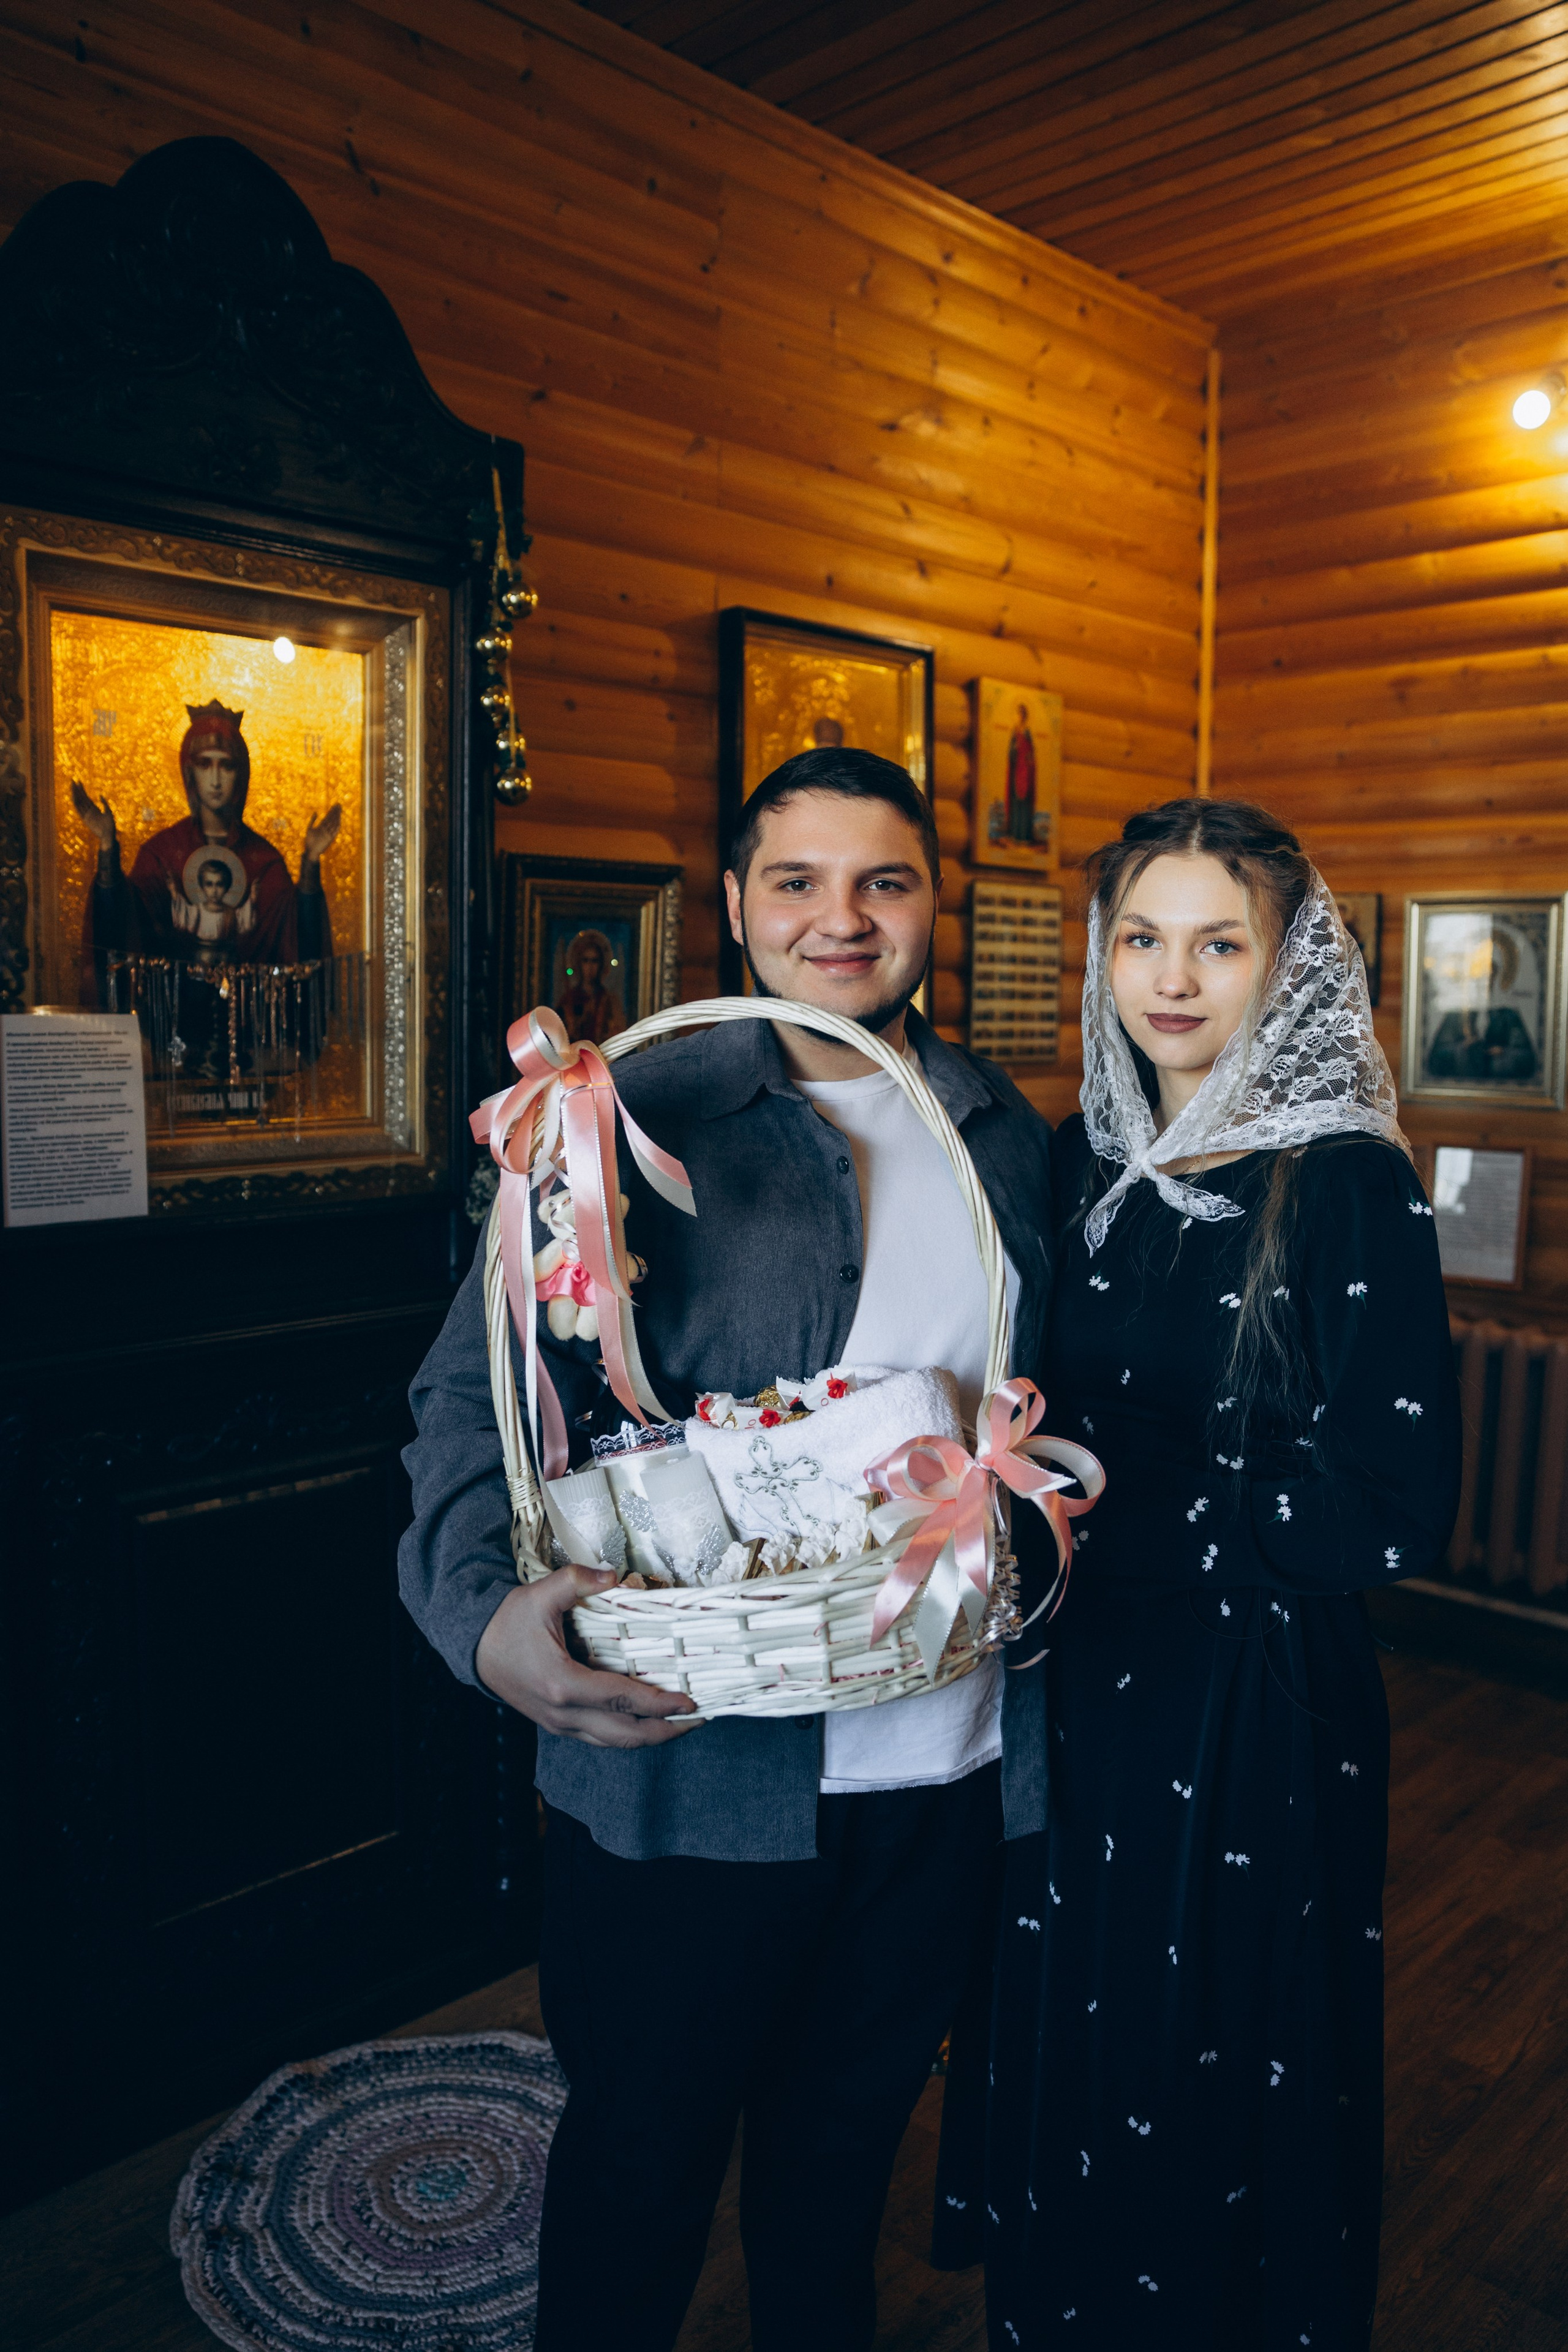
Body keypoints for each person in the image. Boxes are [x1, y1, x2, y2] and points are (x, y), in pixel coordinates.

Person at [398, 746, 1057, 2352]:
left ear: (933, 904)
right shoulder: (627, 1118)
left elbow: (1054, 1413)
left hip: (945, 1766)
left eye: (885, 881)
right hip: (686, 1774)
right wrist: (480, 1619)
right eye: (798, 881)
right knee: (637, 2177)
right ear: (735, 904)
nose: (845, 918)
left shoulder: (1003, 1135)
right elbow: (471, 1398)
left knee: (837, 2175)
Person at [984, 798, 1460, 2351]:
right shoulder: (1073, 1159)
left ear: (1287, 966)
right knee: (1084, 2029)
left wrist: (1128, 1511)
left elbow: (1395, 1507)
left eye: (1217, 943)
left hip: (1245, 1699)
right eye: (1139, 938)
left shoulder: (1341, 1181)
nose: (1170, 979)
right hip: (1074, 1681)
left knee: (1216, 2048)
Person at [73, 698, 341, 1003]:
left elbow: (296, 940)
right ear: (189, 773)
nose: (215, 780)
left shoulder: (265, 861)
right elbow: (125, 925)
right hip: (175, 1015)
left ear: (241, 774)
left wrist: (310, 862)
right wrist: (108, 847)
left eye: (226, 765)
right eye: (205, 764)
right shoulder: (161, 854)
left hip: (245, 1016)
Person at [553, 928, 622, 1045]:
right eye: (586, 961)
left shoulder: (609, 1001)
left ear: (601, 964)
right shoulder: (568, 1000)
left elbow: (618, 1034)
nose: (590, 967)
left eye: (595, 961)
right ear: (579, 963)